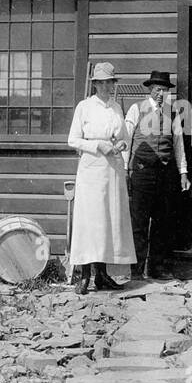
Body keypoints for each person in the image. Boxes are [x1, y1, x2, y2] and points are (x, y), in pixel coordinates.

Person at [67, 62, 136, 293]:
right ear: (95, 84)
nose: (106, 86)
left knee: (108, 220)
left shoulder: (116, 108)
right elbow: (73, 140)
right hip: (92, 168)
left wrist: (122, 144)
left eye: (110, 82)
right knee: (90, 221)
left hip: (112, 170)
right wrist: (99, 146)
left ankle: (102, 275)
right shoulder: (84, 107)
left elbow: (125, 137)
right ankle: (85, 275)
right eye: (102, 83)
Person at [124, 70, 190, 281]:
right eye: (157, 89)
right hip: (142, 172)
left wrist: (183, 173)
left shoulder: (172, 113)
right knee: (139, 223)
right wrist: (125, 170)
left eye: (164, 90)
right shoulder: (136, 110)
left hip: (165, 173)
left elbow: (179, 145)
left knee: (162, 222)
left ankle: (157, 267)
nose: (161, 94)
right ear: (150, 89)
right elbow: (126, 141)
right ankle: (136, 270)